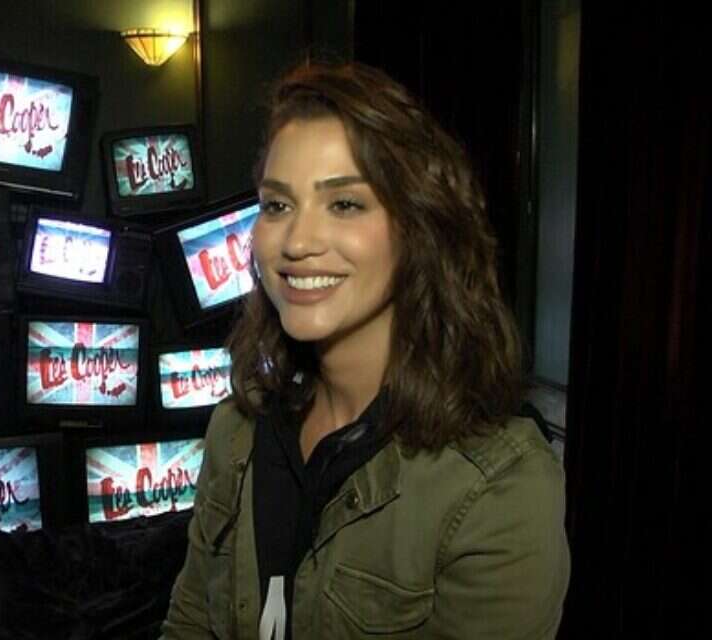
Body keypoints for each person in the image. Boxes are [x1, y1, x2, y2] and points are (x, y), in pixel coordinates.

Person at [161, 61, 570, 639]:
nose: (297, 242)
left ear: (418, 228)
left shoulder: (499, 486)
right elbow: (189, 625)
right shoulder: (236, 431)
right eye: (277, 205)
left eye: (345, 204)